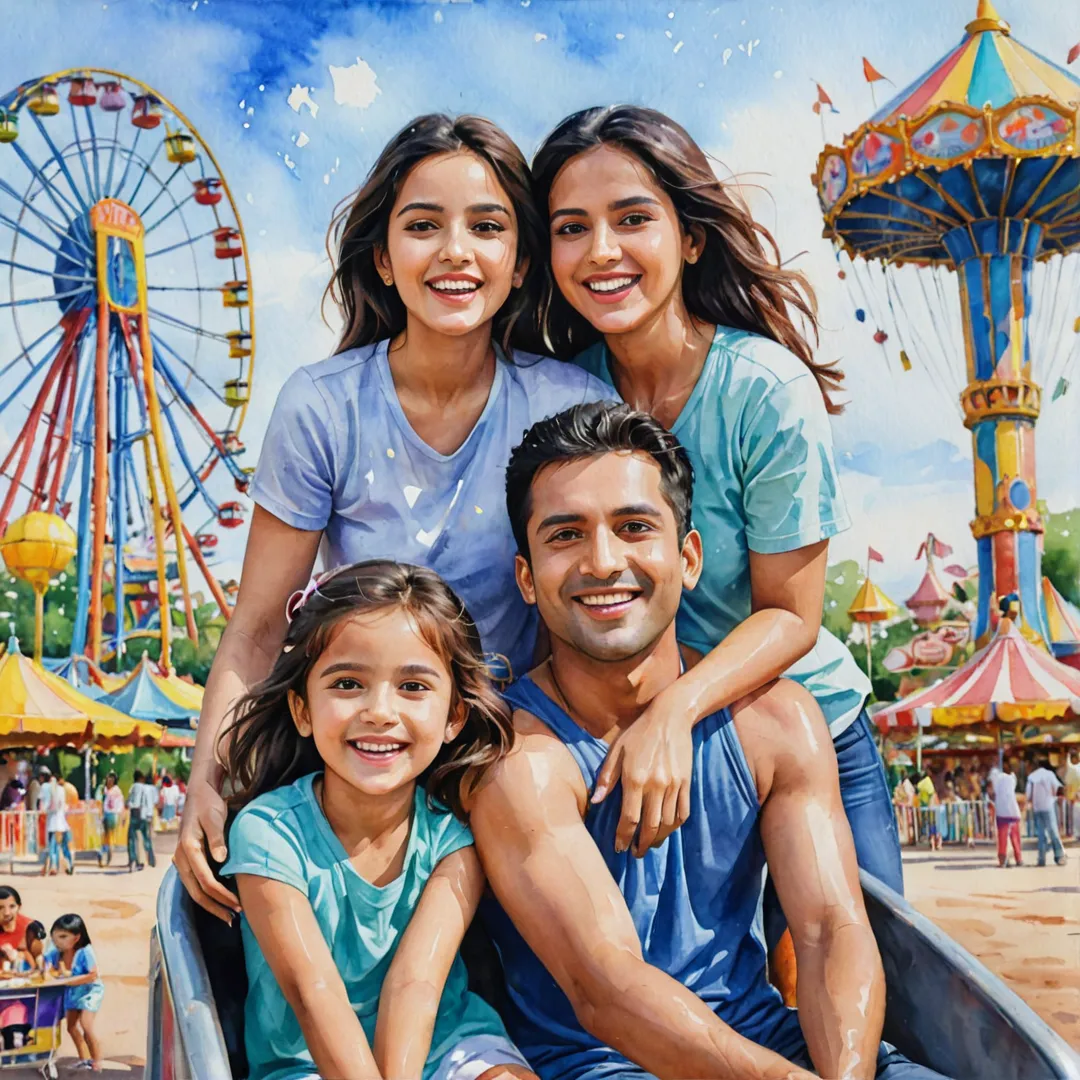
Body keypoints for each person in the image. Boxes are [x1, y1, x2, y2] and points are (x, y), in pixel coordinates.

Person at [176, 113, 611, 922]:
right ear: (383, 257)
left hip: (514, 743)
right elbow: (259, 625)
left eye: (487, 227)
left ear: (519, 264)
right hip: (368, 749)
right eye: (423, 226)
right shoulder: (323, 405)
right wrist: (209, 778)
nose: (455, 251)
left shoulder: (567, 405)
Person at [531, 109, 902, 997]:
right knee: (678, 999)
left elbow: (793, 613)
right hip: (638, 740)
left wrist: (677, 712)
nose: (601, 251)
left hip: (797, 725)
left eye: (632, 218)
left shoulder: (761, 389)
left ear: (690, 238)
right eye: (570, 228)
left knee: (871, 980)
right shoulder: (560, 391)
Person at [471, 402, 946, 1080]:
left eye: (634, 527)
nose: (604, 562)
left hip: (777, 1046)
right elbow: (606, 990)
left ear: (688, 557)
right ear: (526, 577)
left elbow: (826, 931)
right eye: (566, 535)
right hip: (606, 1065)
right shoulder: (514, 756)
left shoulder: (777, 724)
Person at [219, 561, 538, 1080]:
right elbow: (312, 990)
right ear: (302, 710)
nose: (380, 712)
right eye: (348, 684)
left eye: (413, 687)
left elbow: (417, 983)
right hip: (305, 1061)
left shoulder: (452, 837)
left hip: (444, 1042)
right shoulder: (269, 833)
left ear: (454, 715)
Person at [45, 913, 104, 1072]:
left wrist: (68, 980)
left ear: (77, 937)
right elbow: (47, 964)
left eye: (63, 936)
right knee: (71, 1027)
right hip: (72, 992)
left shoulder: (85, 951)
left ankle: (97, 1061)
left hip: (89, 991)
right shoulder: (57, 951)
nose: (58, 940)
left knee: (86, 1026)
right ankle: (84, 1059)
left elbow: (93, 974)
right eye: (55, 937)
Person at [1026, 758, 1067, 867]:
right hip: (1048, 806)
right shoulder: (1049, 774)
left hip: (1037, 808)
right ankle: (1059, 856)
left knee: (1041, 834)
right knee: (1053, 832)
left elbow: (1028, 795)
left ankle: (1041, 859)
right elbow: (1058, 788)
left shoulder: (1031, 777)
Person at [39, 771, 74, 876]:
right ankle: (68, 864)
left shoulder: (48, 789)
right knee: (64, 846)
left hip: (53, 823)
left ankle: (54, 866)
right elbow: (62, 806)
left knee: (53, 846)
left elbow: (46, 806)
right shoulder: (61, 790)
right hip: (62, 823)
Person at [990, 760, 1023, 868]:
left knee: (1002, 838)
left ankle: (1002, 860)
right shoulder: (1013, 778)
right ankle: (1018, 859)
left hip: (1002, 811)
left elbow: (992, 790)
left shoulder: (996, 777)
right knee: (1015, 837)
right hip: (1013, 811)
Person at [127, 771, 156, 871]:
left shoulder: (132, 787)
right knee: (145, 838)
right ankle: (150, 858)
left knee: (132, 839)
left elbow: (129, 801)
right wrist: (149, 816)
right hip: (143, 815)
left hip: (134, 814)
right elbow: (148, 802)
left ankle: (132, 860)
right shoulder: (145, 788)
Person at [0, 886, 32, 967]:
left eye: (12, 906)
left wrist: (21, 955)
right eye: (0, 908)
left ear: (19, 907)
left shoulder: (29, 927)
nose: (7, 913)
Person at [101, 773, 124, 866]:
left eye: (110, 780)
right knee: (106, 836)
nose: (108, 782)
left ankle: (108, 857)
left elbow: (119, 805)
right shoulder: (108, 790)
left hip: (112, 815)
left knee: (109, 836)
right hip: (107, 814)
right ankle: (105, 856)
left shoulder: (114, 791)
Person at [916, 770, 942, 852]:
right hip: (934, 809)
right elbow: (933, 795)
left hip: (928, 808)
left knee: (932, 827)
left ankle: (934, 845)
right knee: (937, 827)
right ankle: (938, 845)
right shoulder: (929, 783)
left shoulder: (921, 785)